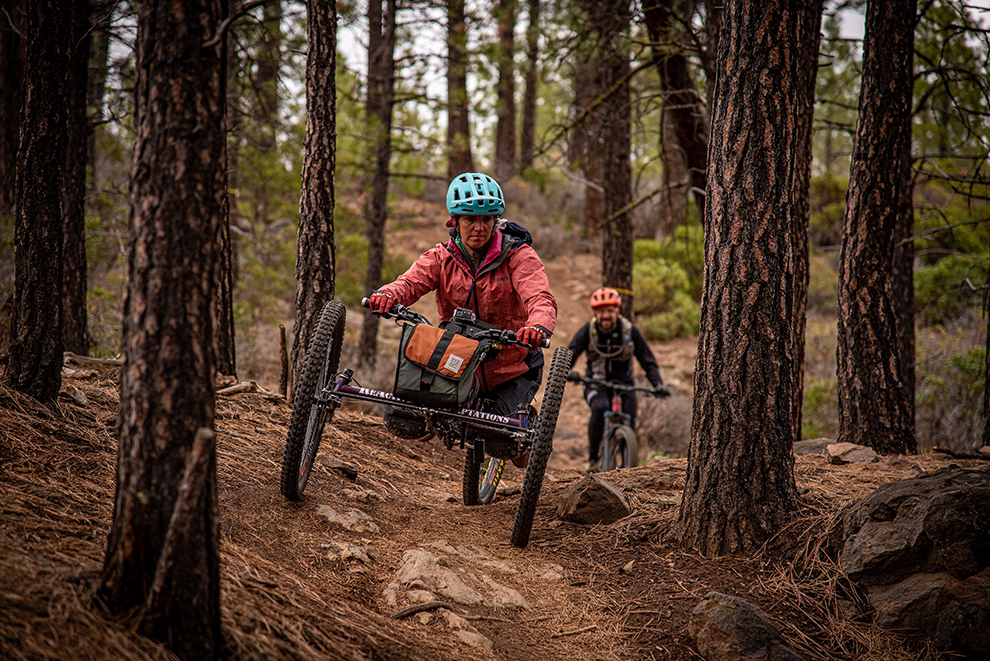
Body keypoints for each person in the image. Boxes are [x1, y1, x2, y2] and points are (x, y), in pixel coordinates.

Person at [369, 172, 557, 433]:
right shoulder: (442, 257)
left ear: (496, 221)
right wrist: (388, 295)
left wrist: (537, 326)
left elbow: (539, 296)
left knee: (499, 439)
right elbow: (410, 282)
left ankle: (523, 426)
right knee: (403, 420)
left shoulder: (518, 255)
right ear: (455, 221)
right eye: (470, 219)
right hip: (456, 361)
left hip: (512, 367)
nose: (479, 228)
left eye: (486, 220)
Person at [567, 287, 665, 472]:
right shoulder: (588, 331)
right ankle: (593, 461)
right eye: (602, 311)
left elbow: (648, 361)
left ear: (617, 311)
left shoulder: (629, 331)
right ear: (595, 312)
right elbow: (571, 353)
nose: (606, 316)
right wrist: (568, 371)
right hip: (596, 383)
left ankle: (627, 466)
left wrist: (657, 384)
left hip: (625, 385)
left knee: (630, 419)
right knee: (599, 408)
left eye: (610, 311)